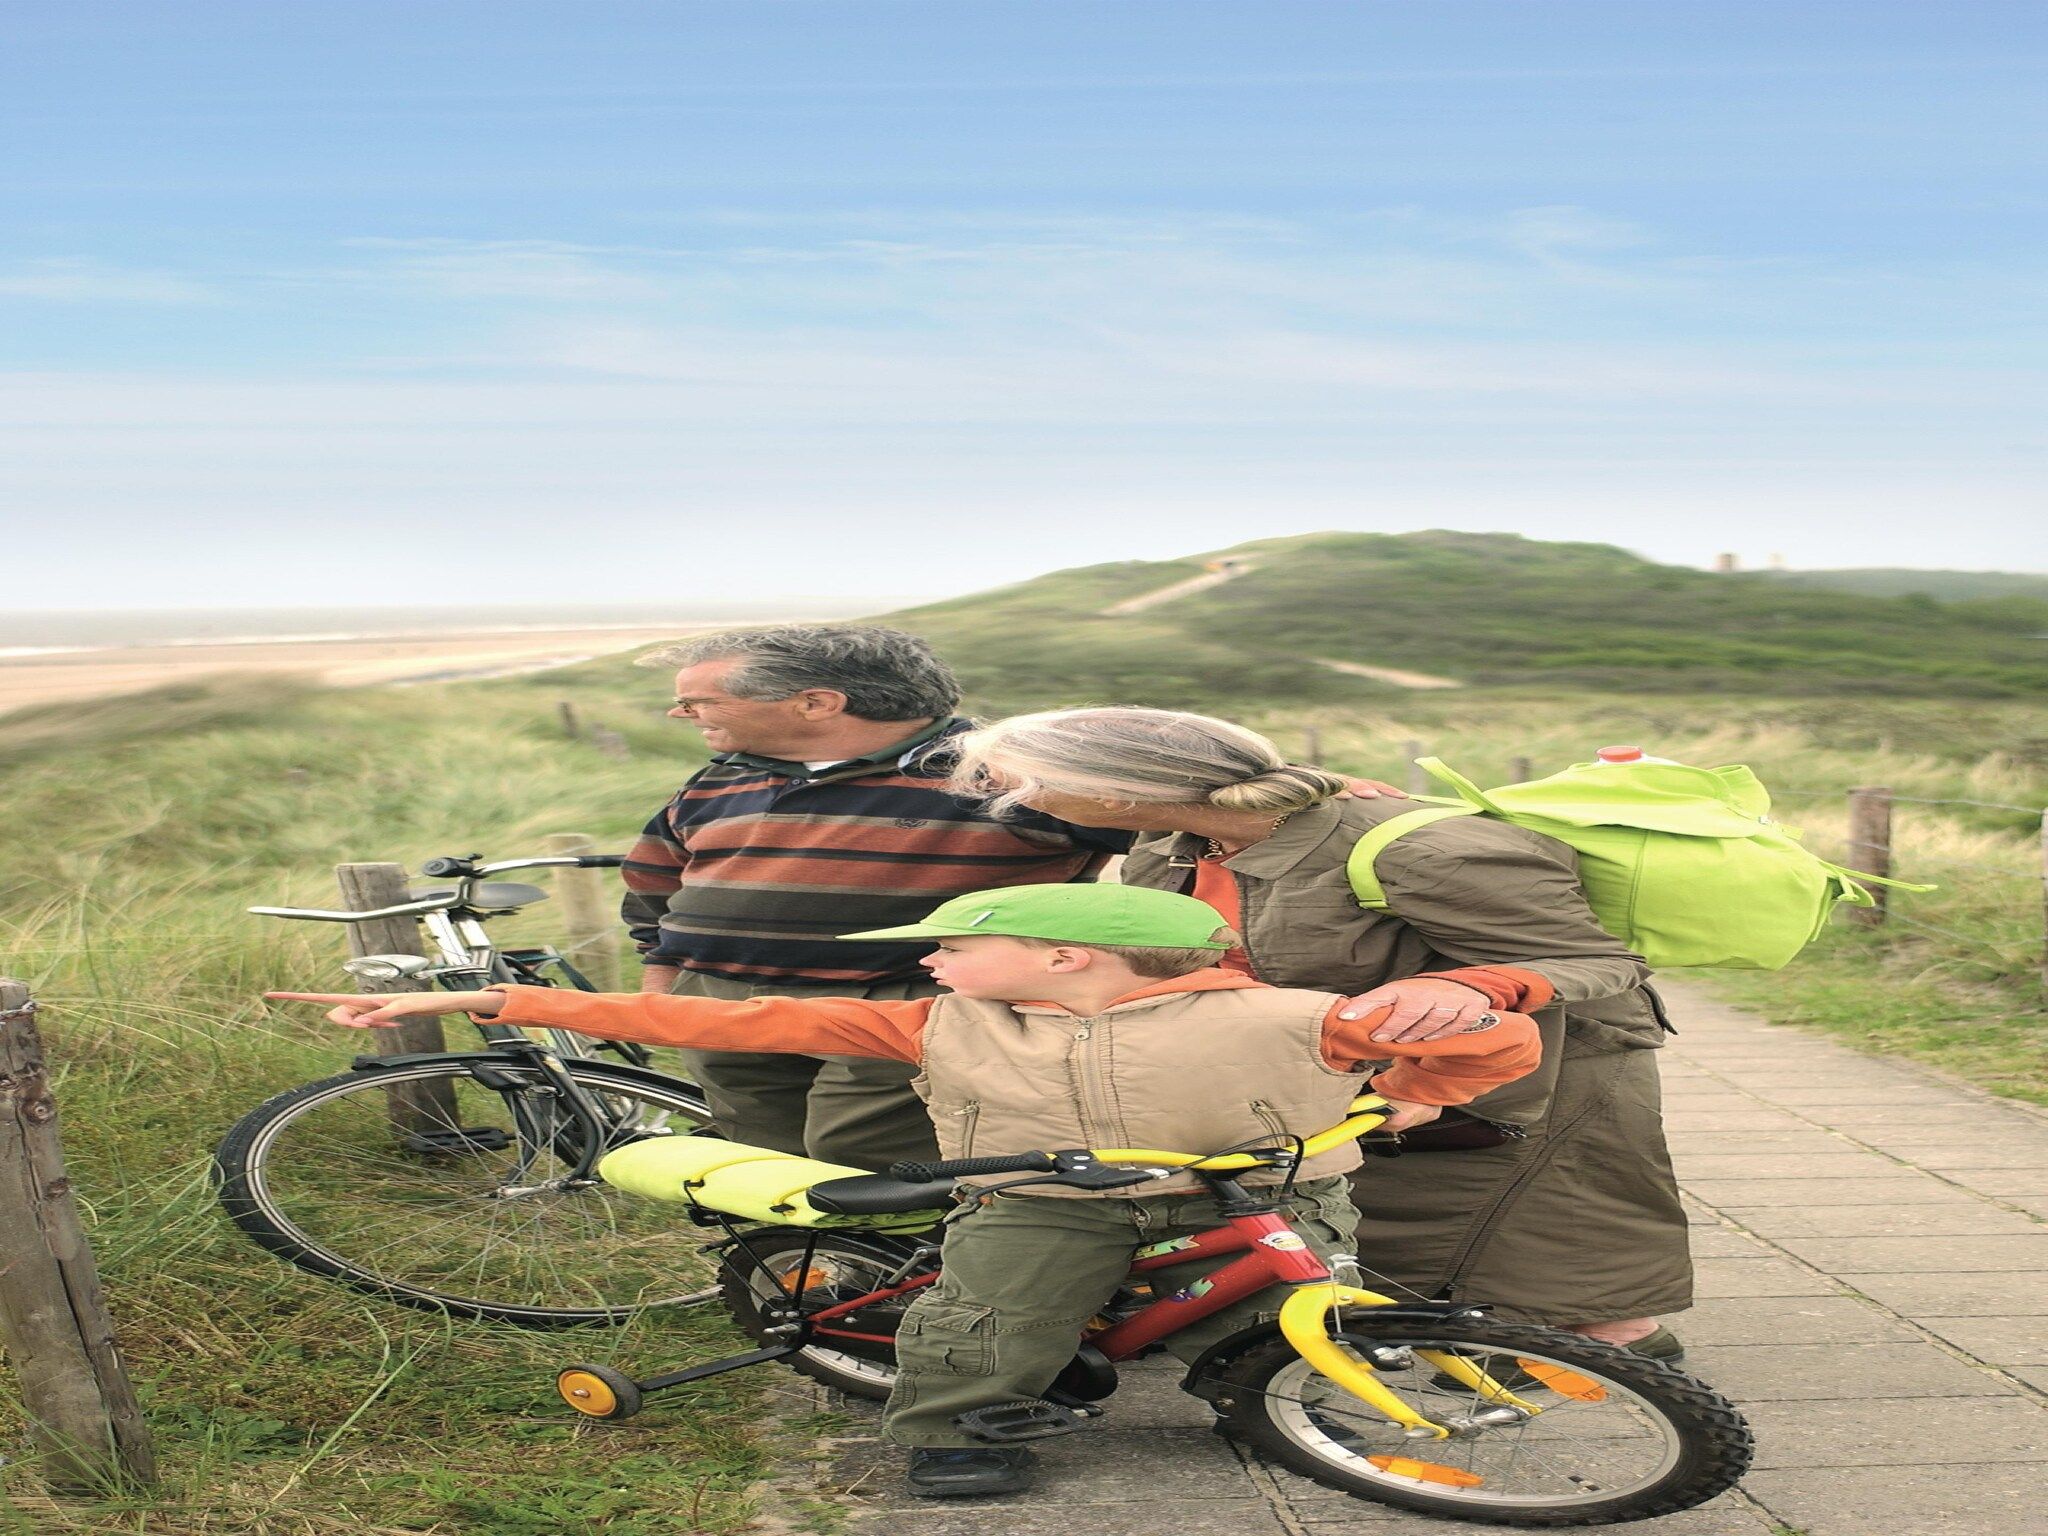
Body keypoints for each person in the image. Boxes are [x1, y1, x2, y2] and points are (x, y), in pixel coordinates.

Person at [268, 881, 1540, 1501]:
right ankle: (949, 1425)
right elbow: (730, 1017)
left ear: (1060, 954)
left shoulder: (1297, 1017)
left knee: (1280, 1302)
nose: (929, 960)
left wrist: (1475, 1008)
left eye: (949, 941)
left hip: (1254, 1189)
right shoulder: (936, 1026)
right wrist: (490, 998)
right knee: (994, 1317)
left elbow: (1481, 1047)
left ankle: (1269, 1388)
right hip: (1048, 1200)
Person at [943, 706, 1691, 1365]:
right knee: (1404, 1214)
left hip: (1550, 1063)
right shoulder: (1171, 840)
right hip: (1383, 1056)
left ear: (1114, 792)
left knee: (1563, 1224)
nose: (1016, 802)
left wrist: (1469, 983)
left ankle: (1621, 1351)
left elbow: (1598, 960)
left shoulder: (1427, 852)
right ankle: (1479, 1335)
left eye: (1025, 783)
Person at [620, 624, 1403, 1170]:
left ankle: (910, 1297)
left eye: (698, 702)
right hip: (722, 994)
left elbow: (1181, 816)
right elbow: (659, 869)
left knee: (866, 1153)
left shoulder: (1003, 770)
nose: (683, 715)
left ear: (817, 702)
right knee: (755, 1149)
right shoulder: (727, 772)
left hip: (914, 994)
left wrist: (1322, 796)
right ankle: (798, 1284)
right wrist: (663, 968)